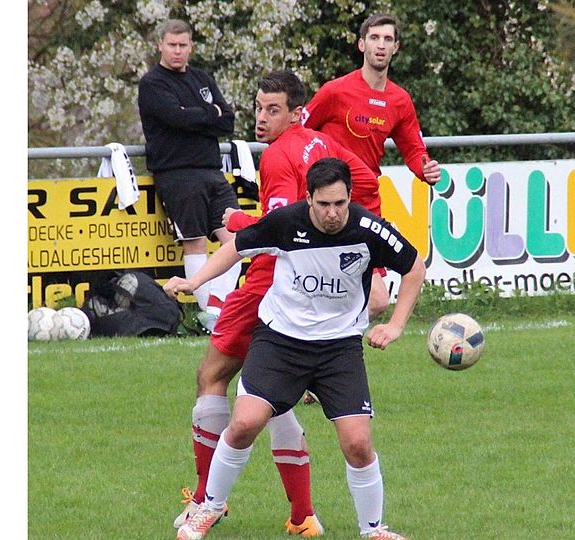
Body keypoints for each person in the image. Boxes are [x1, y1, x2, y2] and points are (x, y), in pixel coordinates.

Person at [170, 69, 383, 538]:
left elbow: (278, 228)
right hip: (307, 286)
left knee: (213, 377)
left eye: (273, 110)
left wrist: (237, 220)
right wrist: (372, 264)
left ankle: (205, 500)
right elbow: (367, 184)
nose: (261, 119)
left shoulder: (279, 156)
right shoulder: (321, 144)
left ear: (296, 112)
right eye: (258, 108)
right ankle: (302, 515)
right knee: (271, 397)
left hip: (271, 283)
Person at [168, 157, 426, 540]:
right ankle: (208, 508)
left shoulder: (368, 229)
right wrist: (195, 282)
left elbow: (414, 267)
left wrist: (396, 325)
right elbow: (237, 247)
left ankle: (374, 530)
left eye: (340, 203)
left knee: (357, 443)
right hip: (280, 343)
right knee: (244, 424)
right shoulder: (287, 222)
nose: (332, 213)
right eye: (324, 204)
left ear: (350, 197)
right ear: (309, 199)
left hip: (339, 349)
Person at [301, 13, 440, 320]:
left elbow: (414, 150)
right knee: (318, 288)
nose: (381, 45)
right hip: (327, 203)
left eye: (388, 39)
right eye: (375, 38)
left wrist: (425, 169)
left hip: (365, 203)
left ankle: (328, 341)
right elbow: (298, 132)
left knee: (376, 301)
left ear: (396, 48)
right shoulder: (335, 91)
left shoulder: (399, 100)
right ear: (361, 44)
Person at [137, 19, 242, 332]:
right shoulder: (153, 83)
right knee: (195, 243)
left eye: (183, 45)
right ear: (160, 45)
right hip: (177, 174)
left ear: (191, 46)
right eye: (172, 45)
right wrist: (210, 114)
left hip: (212, 171)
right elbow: (176, 119)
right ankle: (212, 318)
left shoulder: (201, 78)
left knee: (239, 239)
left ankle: (216, 310)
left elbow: (228, 121)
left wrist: (198, 116)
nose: (177, 51)